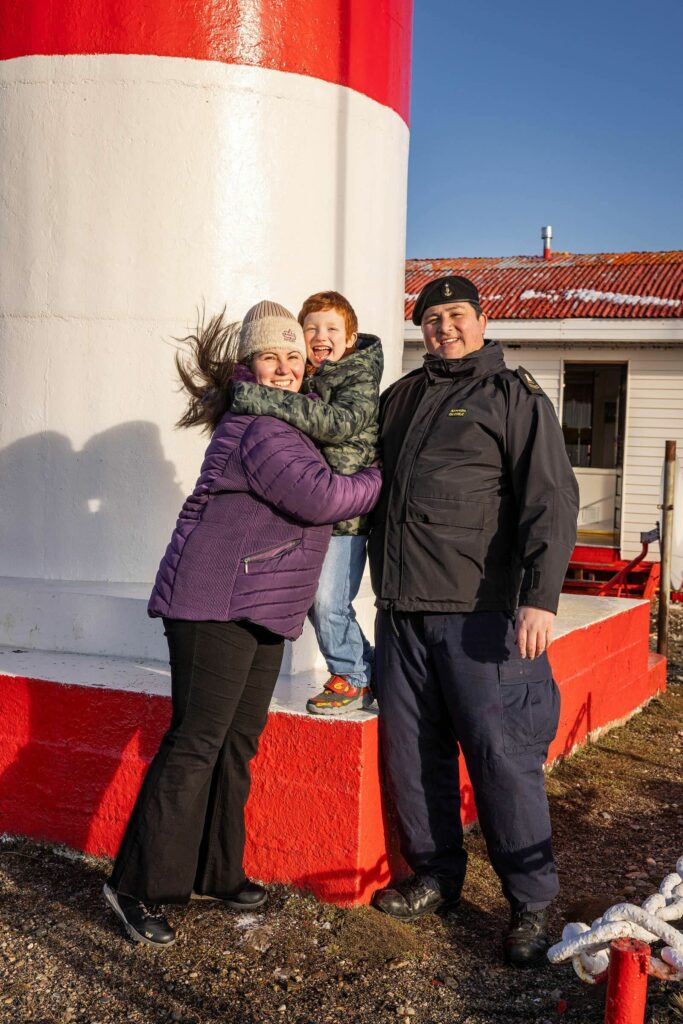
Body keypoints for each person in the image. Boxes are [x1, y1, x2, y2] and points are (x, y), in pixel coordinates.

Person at [103, 300, 381, 948]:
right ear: (249, 364)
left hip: (258, 604)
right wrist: (378, 476)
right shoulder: (258, 425)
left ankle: (218, 871)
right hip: (212, 603)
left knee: (235, 743)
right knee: (196, 742)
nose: (283, 368)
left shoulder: (287, 420)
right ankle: (134, 884)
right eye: (270, 356)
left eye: (292, 356)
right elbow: (321, 496)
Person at [367, 275, 579, 968]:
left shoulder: (512, 397)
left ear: (481, 321)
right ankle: (435, 876)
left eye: (455, 315)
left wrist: (540, 598)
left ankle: (531, 903)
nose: (442, 328)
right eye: (430, 318)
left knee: (501, 760)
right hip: (402, 614)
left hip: (483, 619)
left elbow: (550, 498)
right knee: (411, 754)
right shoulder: (398, 398)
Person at [231, 291, 381, 715]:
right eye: (311, 328)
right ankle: (368, 670)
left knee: (329, 602)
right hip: (318, 508)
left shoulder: (357, 378)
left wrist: (259, 398)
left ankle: (354, 676)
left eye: (332, 328)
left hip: (346, 514)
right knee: (316, 600)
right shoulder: (312, 377)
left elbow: (337, 425)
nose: (320, 336)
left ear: (350, 338)